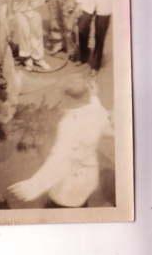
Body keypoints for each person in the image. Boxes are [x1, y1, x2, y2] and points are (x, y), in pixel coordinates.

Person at [8, 78, 114, 208]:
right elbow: (104, 121)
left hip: (70, 181)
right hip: (88, 175)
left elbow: (58, 158)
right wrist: (94, 96)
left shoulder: (69, 124)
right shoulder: (97, 112)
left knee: (63, 207)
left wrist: (34, 185)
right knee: (80, 203)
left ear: (67, 98)